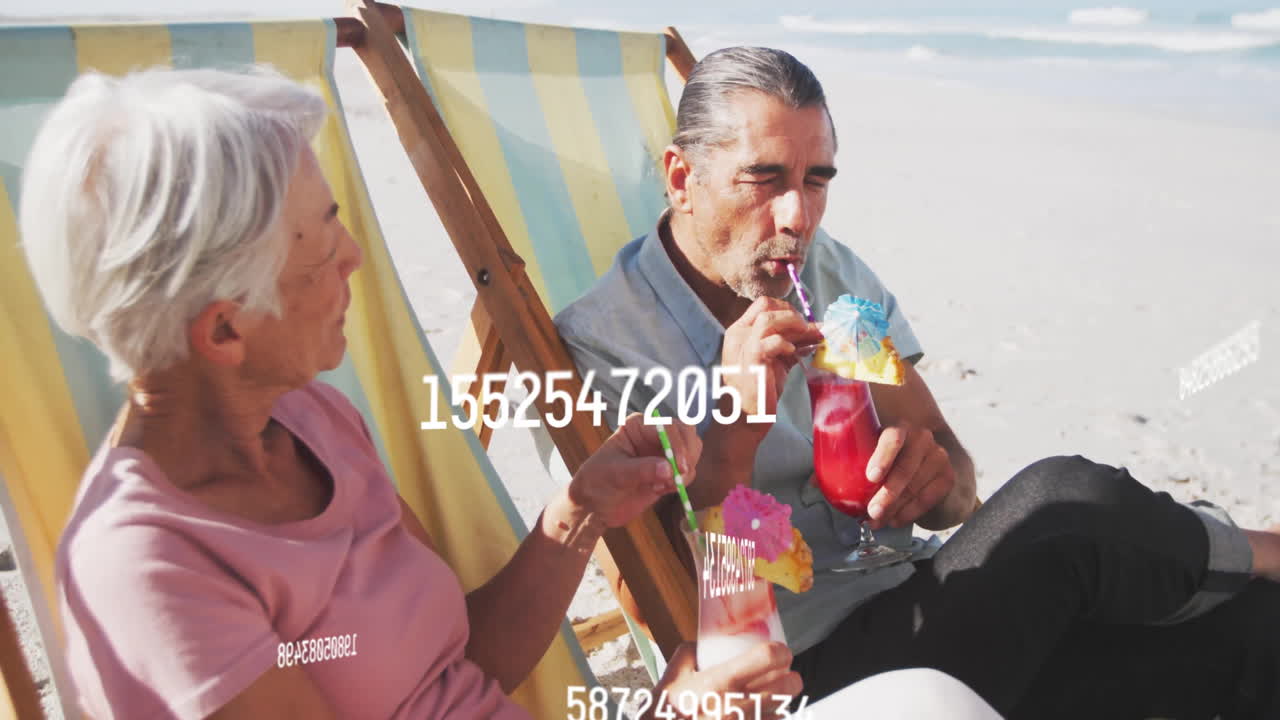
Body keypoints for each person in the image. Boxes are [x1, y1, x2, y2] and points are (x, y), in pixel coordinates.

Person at [19, 66, 808, 720]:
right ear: (225, 331)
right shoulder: (150, 568)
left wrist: (580, 511)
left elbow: (457, 662)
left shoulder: (308, 419)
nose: (355, 257)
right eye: (324, 240)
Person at [554, 46, 1280, 718]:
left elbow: (959, 490)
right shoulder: (604, 350)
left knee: (1256, 629)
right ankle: (1257, 545)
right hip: (806, 673)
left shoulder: (827, 277)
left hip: (932, 614)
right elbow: (675, 617)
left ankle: (1213, 559)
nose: (797, 216)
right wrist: (733, 444)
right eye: (764, 178)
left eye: (816, 181)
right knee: (1061, 504)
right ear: (684, 179)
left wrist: (934, 480)